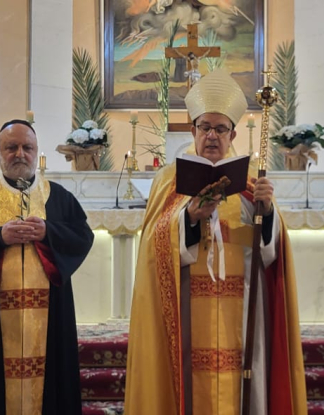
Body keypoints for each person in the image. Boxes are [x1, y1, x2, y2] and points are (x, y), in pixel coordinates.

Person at [124, 69, 307, 415]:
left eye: (220, 128)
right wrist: (189, 218)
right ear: (192, 130)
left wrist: (267, 212)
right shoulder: (169, 180)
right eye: (204, 127)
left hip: (242, 310)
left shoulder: (251, 182)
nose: (211, 135)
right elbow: (153, 244)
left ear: (233, 134)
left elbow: (272, 253)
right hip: (188, 310)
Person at [0, 119, 94, 415]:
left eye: (27, 147)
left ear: (37, 151)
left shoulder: (58, 197)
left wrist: (49, 232)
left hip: (51, 316)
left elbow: (82, 237)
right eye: (11, 147)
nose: (20, 154)